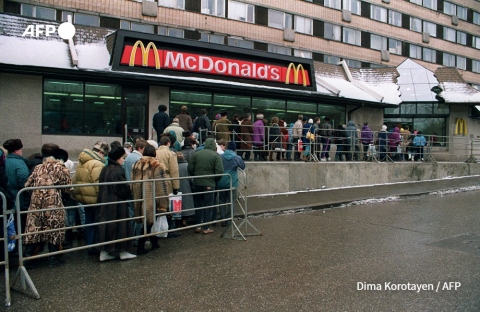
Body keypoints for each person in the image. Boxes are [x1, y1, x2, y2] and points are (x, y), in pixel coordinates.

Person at [23, 149, 73, 267]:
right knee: (54, 229)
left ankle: (27, 260)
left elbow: (27, 185)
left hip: (36, 202)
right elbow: (68, 188)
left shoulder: (38, 167)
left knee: (34, 229)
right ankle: (53, 259)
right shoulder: (61, 168)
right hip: (52, 202)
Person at [96, 146, 136, 262]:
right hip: (117, 203)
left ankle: (104, 252)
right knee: (121, 226)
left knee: (106, 227)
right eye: (122, 158)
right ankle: (124, 251)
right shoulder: (117, 170)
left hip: (104, 202)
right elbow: (122, 188)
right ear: (118, 158)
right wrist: (128, 191)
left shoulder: (105, 169)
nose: (123, 160)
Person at [131, 145, 169, 255]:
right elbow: (161, 185)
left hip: (139, 197)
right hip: (152, 197)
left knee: (147, 221)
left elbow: (132, 182)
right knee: (149, 222)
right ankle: (141, 245)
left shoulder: (136, 165)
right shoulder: (157, 165)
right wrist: (164, 203)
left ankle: (154, 242)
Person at [74, 141, 109, 252]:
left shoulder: (82, 161)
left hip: (84, 197)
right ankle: (96, 246)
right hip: (95, 198)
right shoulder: (97, 163)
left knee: (89, 221)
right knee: (97, 222)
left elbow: (75, 179)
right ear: (100, 152)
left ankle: (90, 245)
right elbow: (98, 182)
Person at [188, 138, 224, 234]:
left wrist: (196, 177)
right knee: (208, 205)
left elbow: (190, 168)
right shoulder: (215, 156)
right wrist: (214, 180)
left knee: (198, 205)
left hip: (197, 183)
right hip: (209, 184)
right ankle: (206, 228)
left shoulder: (196, 154)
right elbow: (220, 171)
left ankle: (198, 226)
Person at [3, 139, 31, 235]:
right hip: (18, 199)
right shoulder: (20, 163)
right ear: (16, 151)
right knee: (19, 224)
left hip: (6, 196)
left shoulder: (4, 161)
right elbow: (24, 182)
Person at [155, 136, 181, 237]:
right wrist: (176, 186)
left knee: (159, 206)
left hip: (156, 181)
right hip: (168, 182)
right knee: (169, 207)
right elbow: (174, 171)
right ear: (168, 143)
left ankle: (158, 229)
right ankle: (170, 229)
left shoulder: (155, 152)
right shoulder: (170, 154)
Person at [123, 138, 147, 243]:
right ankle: (138, 238)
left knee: (132, 214)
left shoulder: (128, 158)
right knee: (139, 215)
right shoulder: (139, 159)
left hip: (128, 187)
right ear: (140, 148)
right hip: (137, 189)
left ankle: (131, 237)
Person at [217, 142, 245, 227]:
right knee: (231, 201)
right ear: (234, 149)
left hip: (221, 181)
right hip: (231, 182)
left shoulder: (220, 157)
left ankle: (223, 219)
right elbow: (243, 166)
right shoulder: (237, 157)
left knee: (221, 201)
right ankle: (229, 220)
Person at [176, 152, 195, 226]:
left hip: (177, 187)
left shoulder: (174, 166)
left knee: (177, 204)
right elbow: (191, 178)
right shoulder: (187, 165)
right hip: (186, 187)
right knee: (186, 204)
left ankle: (178, 221)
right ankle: (184, 220)